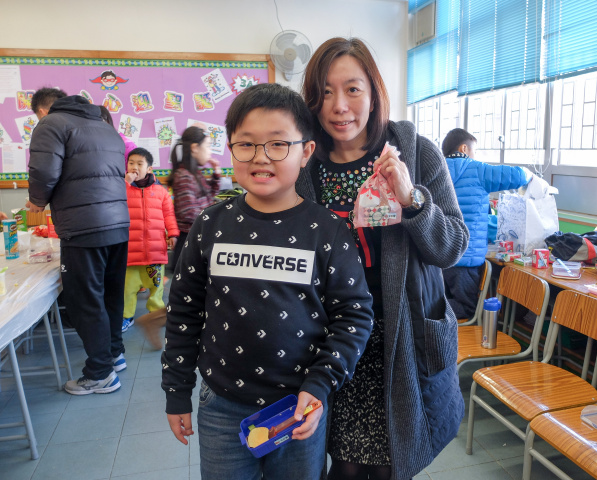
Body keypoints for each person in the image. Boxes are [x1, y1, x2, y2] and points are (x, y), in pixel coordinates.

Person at [161, 83, 374, 480]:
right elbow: (183, 313)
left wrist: (320, 384)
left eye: (278, 144)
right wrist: (176, 390)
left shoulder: (328, 231)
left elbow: (354, 316)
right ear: (230, 149)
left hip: (299, 407)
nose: (261, 157)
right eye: (246, 144)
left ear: (305, 152)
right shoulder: (209, 226)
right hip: (221, 405)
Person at [297, 37, 469, 480]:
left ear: (374, 93)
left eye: (353, 89)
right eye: (326, 92)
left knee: (393, 464)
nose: (339, 106)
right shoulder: (304, 167)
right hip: (334, 344)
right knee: (345, 465)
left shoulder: (415, 152)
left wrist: (412, 199)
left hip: (402, 340)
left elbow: (452, 246)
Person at [27, 90, 130, 395]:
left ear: (42, 110)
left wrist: (36, 202)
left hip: (84, 226)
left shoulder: (51, 123)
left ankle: (100, 374)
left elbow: (43, 170)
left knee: (84, 300)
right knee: (111, 294)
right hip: (118, 223)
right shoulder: (104, 125)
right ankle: (113, 355)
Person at [441, 128, 532, 319]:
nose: (475, 155)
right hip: (466, 257)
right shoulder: (478, 170)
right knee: (467, 309)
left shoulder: (435, 170)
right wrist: (529, 174)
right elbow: (517, 176)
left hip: (437, 256)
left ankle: (431, 321)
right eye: (474, 151)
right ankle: (427, 315)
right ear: (464, 148)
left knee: (440, 300)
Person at [122, 147, 179, 332]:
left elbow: (169, 214)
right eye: (131, 163)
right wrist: (125, 184)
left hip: (155, 251)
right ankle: (126, 317)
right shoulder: (122, 188)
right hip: (130, 251)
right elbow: (112, 201)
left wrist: (173, 234)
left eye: (140, 164)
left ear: (149, 169)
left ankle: (156, 315)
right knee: (128, 288)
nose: (134, 167)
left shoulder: (160, 191)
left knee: (156, 287)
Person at [166, 126, 222, 271]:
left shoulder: (194, 173)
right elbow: (189, 212)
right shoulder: (184, 176)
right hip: (189, 240)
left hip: (197, 236)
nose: (210, 151)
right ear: (195, 148)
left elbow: (210, 195)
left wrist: (216, 174)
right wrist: (213, 217)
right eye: (208, 146)